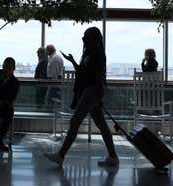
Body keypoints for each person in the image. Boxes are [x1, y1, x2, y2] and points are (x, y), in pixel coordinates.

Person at [45, 27, 118, 168]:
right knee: (101, 125)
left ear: (92, 38)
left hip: (92, 91)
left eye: (86, 36)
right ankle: (113, 156)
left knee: (75, 121)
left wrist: (99, 97)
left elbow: (98, 77)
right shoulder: (91, 52)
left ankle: (61, 155)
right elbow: (84, 72)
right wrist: (72, 61)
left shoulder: (97, 54)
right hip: (92, 91)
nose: (83, 38)